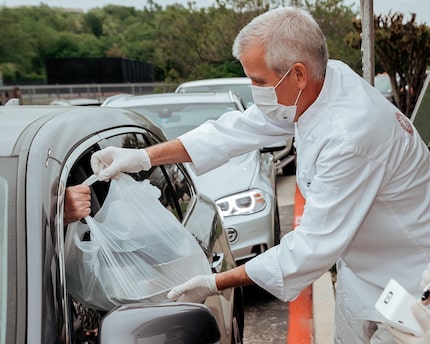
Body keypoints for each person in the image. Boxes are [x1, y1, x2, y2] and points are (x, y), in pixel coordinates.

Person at [89, 7, 430, 343]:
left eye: (259, 81)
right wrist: (143, 156)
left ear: (298, 74)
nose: (254, 91)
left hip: (411, 287)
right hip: (362, 275)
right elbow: (237, 129)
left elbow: (309, 249)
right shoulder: (321, 81)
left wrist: (213, 282)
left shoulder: (350, 136)